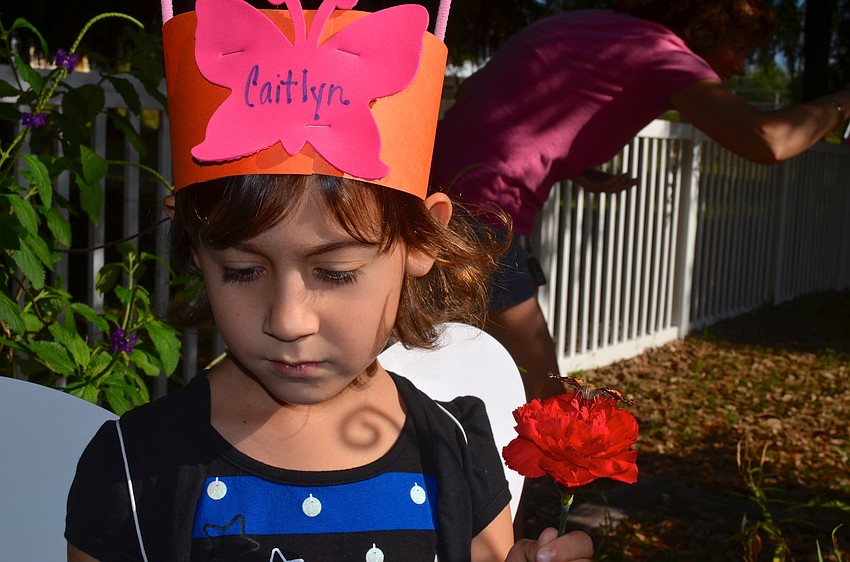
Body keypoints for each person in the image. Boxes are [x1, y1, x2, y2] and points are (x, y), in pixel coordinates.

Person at [64, 0, 595, 560]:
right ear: (194, 249)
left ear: (420, 242)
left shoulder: (455, 450)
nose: (288, 320)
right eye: (243, 271)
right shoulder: (133, 469)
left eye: (336, 273)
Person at [430, 0, 850, 401]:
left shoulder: (603, 28)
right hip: (479, 204)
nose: (739, 67)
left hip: (436, 180)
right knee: (542, 381)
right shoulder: (663, 53)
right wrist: (841, 103)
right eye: (738, 48)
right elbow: (767, 140)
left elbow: (519, 104)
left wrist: (582, 171)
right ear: (708, 28)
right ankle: (552, 468)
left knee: (454, 352)